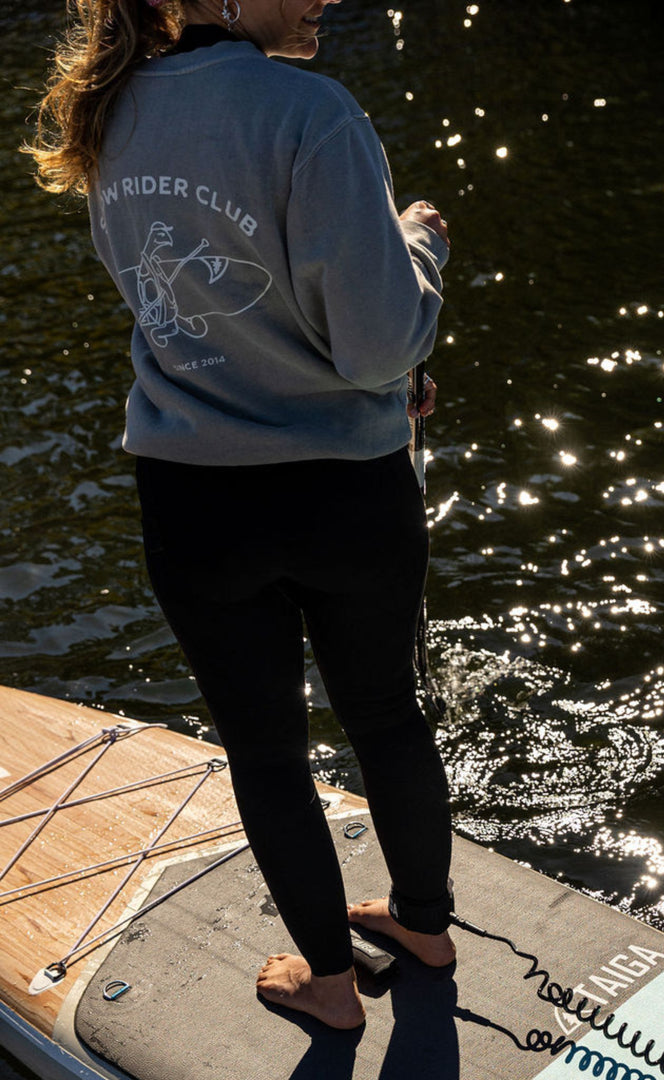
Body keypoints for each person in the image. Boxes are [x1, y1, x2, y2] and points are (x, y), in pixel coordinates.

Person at [26, 0, 456, 1030]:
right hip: (348, 492)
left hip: (196, 502)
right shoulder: (314, 113)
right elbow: (379, 348)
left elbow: (180, 305)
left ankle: (329, 987)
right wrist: (423, 247)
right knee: (386, 713)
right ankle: (425, 927)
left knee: (266, 753)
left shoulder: (106, 113)